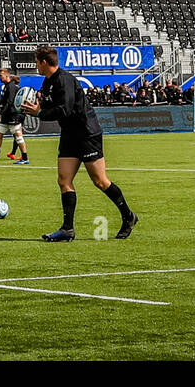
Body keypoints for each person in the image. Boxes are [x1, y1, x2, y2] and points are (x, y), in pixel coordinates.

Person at [21, 45, 138, 242]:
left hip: (86, 133)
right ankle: (67, 229)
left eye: (36, 62)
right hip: (69, 134)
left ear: (43, 62)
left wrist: (39, 112)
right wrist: (36, 106)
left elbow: (64, 110)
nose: (36, 66)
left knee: (100, 181)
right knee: (63, 180)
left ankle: (128, 216)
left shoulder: (64, 80)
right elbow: (49, 106)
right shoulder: (47, 82)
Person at [0, 67, 29, 165]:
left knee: (19, 137)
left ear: (7, 76)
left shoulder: (11, 86)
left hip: (12, 116)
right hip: (6, 116)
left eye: (1, 75)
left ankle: (25, 158)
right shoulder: (6, 86)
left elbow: (9, 102)